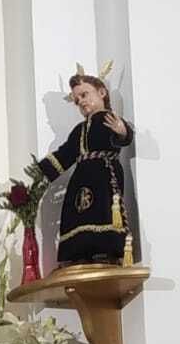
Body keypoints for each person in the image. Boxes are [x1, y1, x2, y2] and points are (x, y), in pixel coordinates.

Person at [32, 70, 136, 268]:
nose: (80, 101)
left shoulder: (109, 120)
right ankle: (80, 254)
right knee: (76, 213)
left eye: (85, 94)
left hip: (104, 177)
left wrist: (123, 132)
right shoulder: (79, 130)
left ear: (102, 93)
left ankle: (104, 252)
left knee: (101, 210)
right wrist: (38, 172)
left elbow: (123, 136)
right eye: (77, 99)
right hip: (80, 179)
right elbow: (65, 154)